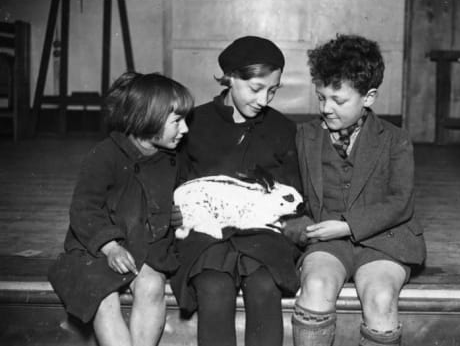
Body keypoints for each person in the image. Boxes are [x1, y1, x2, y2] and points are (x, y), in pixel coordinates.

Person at [290, 34, 426, 346]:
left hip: (384, 240)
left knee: (380, 297)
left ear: (369, 97)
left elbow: (400, 203)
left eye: (339, 100)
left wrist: (348, 225)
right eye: (321, 97)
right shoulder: (304, 136)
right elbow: (291, 197)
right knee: (316, 284)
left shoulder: (396, 139)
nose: (326, 108)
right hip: (326, 239)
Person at [170, 35, 302, 346]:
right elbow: (175, 182)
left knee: (264, 288)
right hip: (206, 235)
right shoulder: (194, 124)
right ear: (230, 78)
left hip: (263, 234)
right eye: (256, 89)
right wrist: (174, 213)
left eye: (272, 91)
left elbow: (291, 194)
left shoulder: (282, 129)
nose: (264, 100)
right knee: (214, 289)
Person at [48, 71, 194, 346]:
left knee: (152, 285)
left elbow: (180, 197)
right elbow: (84, 209)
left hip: (147, 246)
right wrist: (111, 247)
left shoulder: (173, 158)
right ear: (147, 119)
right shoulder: (105, 155)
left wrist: (181, 214)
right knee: (103, 298)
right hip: (98, 247)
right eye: (177, 121)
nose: (185, 129)